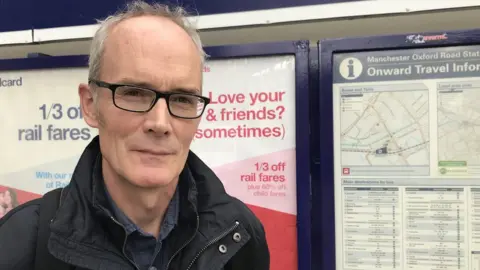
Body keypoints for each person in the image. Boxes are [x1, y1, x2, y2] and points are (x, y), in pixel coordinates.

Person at [0, 1, 270, 269]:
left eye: (182, 98)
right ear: (90, 105)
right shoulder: (21, 243)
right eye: (133, 93)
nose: (160, 123)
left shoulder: (240, 236)